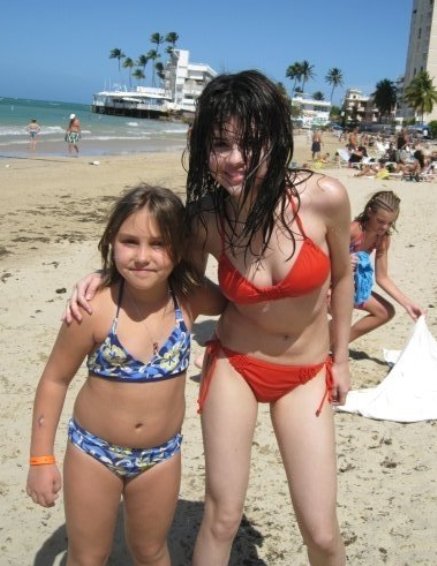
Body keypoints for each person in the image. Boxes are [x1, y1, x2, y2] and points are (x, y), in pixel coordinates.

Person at [64, 70, 354, 565]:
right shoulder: (204, 219)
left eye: (250, 142)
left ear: (275, 138)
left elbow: (343, 277)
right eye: (221, 144)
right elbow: (162, 273)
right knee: (221, 517)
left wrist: (341, 359)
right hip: (235, 365)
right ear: (204, 148)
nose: (235, 158)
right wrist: (102, 278)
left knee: (322, 532)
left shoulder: (324, 198)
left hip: (307, 373)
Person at [26, 184, 226, 565]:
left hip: (161, 456)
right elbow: (54, 380)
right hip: (93, 453)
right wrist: (41, 459)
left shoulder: (190, 296)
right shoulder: (95, 307)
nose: (142, 256)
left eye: (159, 244)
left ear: (179, 249)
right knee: (88, 556)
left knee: (150, 551)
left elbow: (240, 299)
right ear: (111, 243)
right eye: (129, 242)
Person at [349, 190, 424, 342]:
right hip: (327, 284)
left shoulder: (382, 238)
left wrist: (408, 305)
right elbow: (321, 256)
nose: (384, 227)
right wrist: (342, 261)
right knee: (341, 312)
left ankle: (336, 344)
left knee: (385, 312)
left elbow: (382, 277)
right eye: (380, 221)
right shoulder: (353, 230)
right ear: (370, 212)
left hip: (349, 285)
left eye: (390, 223)